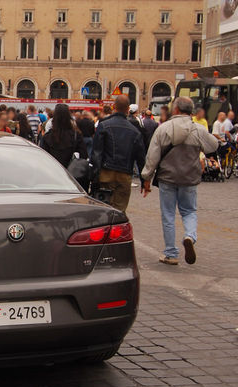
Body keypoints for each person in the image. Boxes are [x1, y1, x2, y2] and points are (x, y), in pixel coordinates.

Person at [141, 97, 218, 266]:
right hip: (189, 178)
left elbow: (152, 156)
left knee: (168, 214)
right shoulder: (197, 129)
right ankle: (190, 236)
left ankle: (170, 253)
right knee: (189, 211)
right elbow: (213, 146)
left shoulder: (164, 129)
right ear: (190, 111)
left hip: (167, 178)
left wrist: (146, 178)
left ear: (175, 110)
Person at [91, 95, 146, 212]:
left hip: (106, 173)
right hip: (124, 175)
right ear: (128, 109)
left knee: (104, 209)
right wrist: (144, 180)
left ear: (114, 107)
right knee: (120, 211)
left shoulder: (104, 125)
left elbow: (96, 153)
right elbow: (141, 157)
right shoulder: (135, 131)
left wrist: (95, 176)